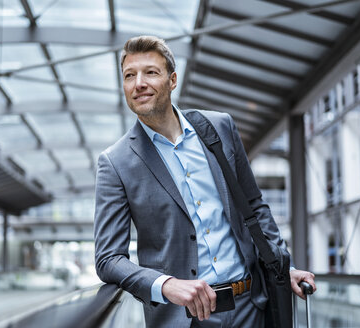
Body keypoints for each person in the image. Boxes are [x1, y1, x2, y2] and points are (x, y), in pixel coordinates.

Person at [94, 35, 316, 328]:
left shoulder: (219, 127)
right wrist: (165, 284)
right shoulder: (115, 162)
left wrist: (280, 265)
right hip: (185, 318)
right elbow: (108, 258)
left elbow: (253, 205)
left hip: (251, 305)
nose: (139, 84)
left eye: (151, 72)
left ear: (173, 80)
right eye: (129, 76)